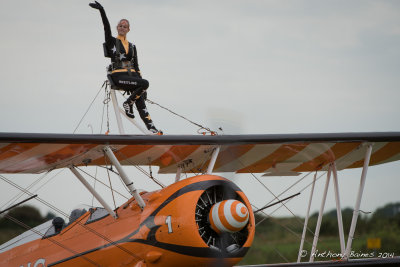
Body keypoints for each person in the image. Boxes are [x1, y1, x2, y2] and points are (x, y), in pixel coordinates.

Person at [89, 1, 159, 134]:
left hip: (131, 77)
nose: (122, 28)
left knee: (140, 97)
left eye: (125, 26)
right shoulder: (112, 42)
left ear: (128, 29)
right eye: (120, 26)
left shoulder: (132, 46)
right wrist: (102, 10)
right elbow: (106, 27)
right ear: (117, 27)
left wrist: (142, 89)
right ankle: (128, 103)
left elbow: (137, 66)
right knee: (145, 84)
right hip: (118, 77)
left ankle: (151, 127)